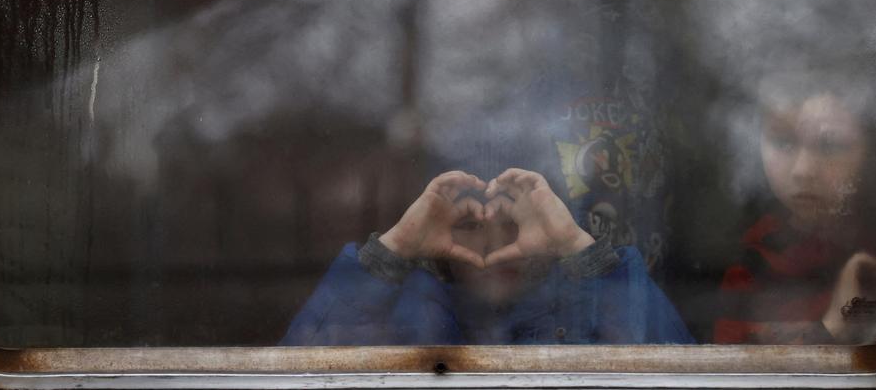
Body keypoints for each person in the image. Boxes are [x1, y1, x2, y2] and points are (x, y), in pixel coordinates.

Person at [281, 168, 693, 345]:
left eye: (515, 223)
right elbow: (301, 368)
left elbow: (683, 373)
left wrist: (581, 252)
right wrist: (393, 251)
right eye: (470, 224)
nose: (496, 243)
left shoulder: (584, 308)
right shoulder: (402, 311)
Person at [713, 83, 876, 345]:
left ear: (871, 154)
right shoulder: (748, 255)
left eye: (830, 145)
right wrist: (834, 326)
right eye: (783, 141)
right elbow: (737, 375)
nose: (803, 170)